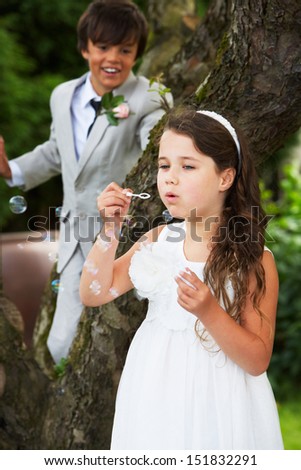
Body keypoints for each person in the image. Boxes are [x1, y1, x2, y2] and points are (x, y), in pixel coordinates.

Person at [79, 107, 284, 450]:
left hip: (219, 397)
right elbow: (94, 292)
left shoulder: (254, 261)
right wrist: (111, 228)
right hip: (154, 389)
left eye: (187, 166)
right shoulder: (159, 239)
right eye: (164, 165)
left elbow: (257, 359)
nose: (170, 178)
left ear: (225, 178)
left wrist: (209, 312)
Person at [0, 0, 173, 364]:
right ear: (85, 48)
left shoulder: (148, 97)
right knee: (61, 346)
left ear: (137, 53)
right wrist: (10, 170)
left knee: (127, 347)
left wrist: (167, 159)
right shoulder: (63, 96)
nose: (114, 58)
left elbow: (155, 145)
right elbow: (55, 152)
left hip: (121, 239)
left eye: (125, 49)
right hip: (74, 237)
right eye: (103, 47)